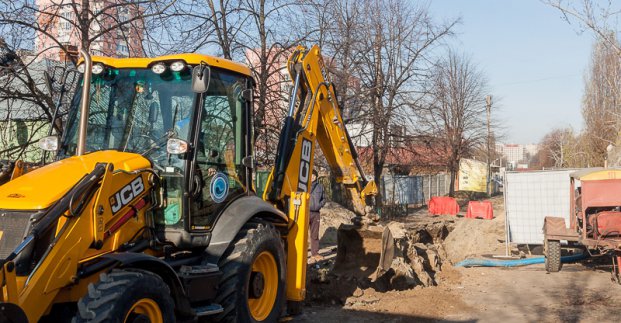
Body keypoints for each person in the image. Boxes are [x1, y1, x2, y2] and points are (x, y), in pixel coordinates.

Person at [309, 169, 326, 264]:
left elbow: (324, 199)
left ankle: (315, 254)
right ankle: (302, 254)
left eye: (314, 176)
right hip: (305, 212)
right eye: (311, 175)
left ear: (316, 177)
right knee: (302, 234)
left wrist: (320, 205)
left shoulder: (320, 187)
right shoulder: (304, 186)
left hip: (316, 213)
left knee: (314, 235)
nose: (312, 177)